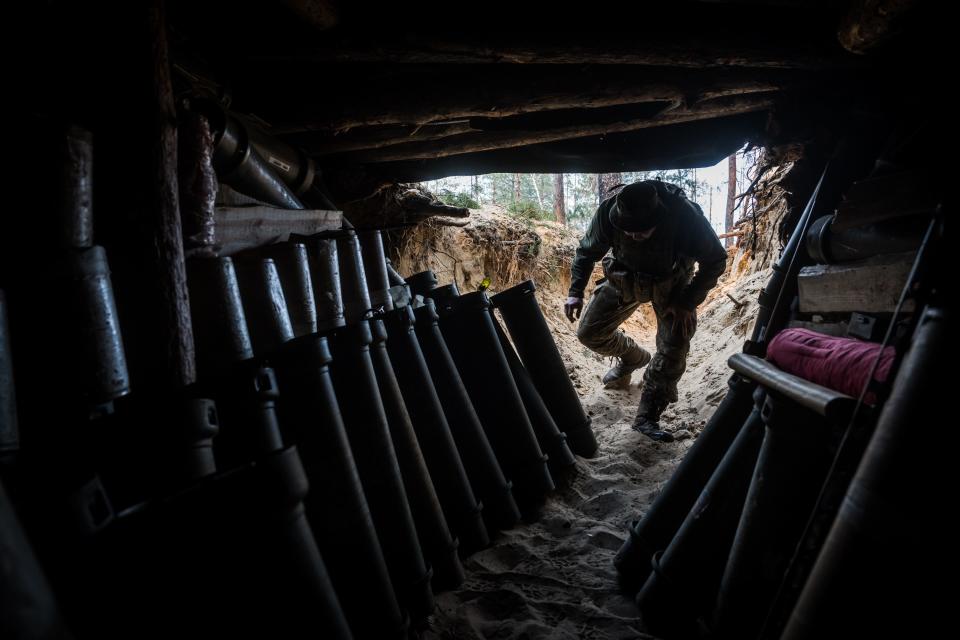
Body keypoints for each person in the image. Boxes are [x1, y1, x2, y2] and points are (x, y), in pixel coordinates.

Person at [564, 180, 727, 442]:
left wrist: (687, 302)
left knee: (674, 347)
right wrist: (574, 292)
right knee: (589, 333)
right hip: (623, 278)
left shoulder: (684, 215)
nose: (633, 235)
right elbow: (586, 252)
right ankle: (634, 358)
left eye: (641, 230)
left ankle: (648, 416)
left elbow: (716, 259)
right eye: (627, 230)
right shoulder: (609, 212)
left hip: (672, 285)